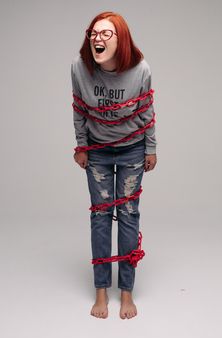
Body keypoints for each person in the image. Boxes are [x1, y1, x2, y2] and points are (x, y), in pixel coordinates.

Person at [71, 11, 157, 319]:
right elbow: (79, 110)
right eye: (94, 33)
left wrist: (151, 147)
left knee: (130, 216)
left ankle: (127, 293)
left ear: (121, 40)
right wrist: (81, 146)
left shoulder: (140, 69)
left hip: (132, 150)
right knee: (100, 217)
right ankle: (101, 292)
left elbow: (147, 110)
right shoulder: (80, 68)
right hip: (98, 153)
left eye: (106, 34)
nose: (97, 39)